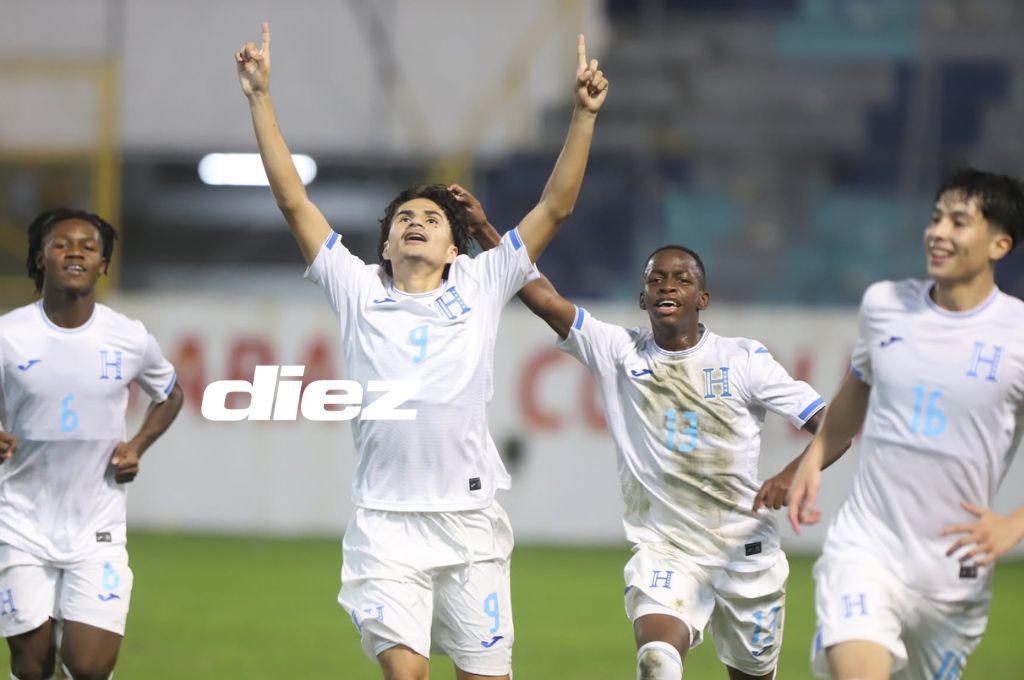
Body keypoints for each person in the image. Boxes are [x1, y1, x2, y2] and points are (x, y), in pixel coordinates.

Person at [234, 23, 608, 679]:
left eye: (431, 219)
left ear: (452, 248)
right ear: (384, 245)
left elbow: (557, 204)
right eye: (405, 217)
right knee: (407, 674)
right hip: (384, 525)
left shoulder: (484, 281)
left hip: (469, 524)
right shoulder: (355, 288)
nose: (416, 222)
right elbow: (294, 200)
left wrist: (582, 114)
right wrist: (260, 99)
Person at [454, 186, 831, 680]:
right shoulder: (619, 352)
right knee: (657, 659)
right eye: (656, 279)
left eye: (681, 279)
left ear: (704, 297)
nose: (667, 286)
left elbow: (832, 423)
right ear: (643, 297)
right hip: (666, 549)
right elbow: (544, 298)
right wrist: (485, 231)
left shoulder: (742, 361)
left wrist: (793, 472)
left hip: (746, 552)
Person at [786, 168, 1024, 680]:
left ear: (999, 244)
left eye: (959, 222)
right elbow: (856, 390)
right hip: (868, 546)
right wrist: (814, 458)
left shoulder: (1018, 333)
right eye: (936, 218)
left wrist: (1014, 523)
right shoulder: (884, 305)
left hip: (952, 575)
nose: (938, 232)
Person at [0, 208, 184, 680]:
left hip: (96, 528)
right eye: (61, 243)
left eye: (89, 245)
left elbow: (170, 393)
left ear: (103, 264)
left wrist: (137, 446)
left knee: (88, 666)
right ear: (40, 258)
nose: (75, 251)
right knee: (32, 665)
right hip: (19, 523)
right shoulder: (8, 335)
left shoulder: (128, 338)